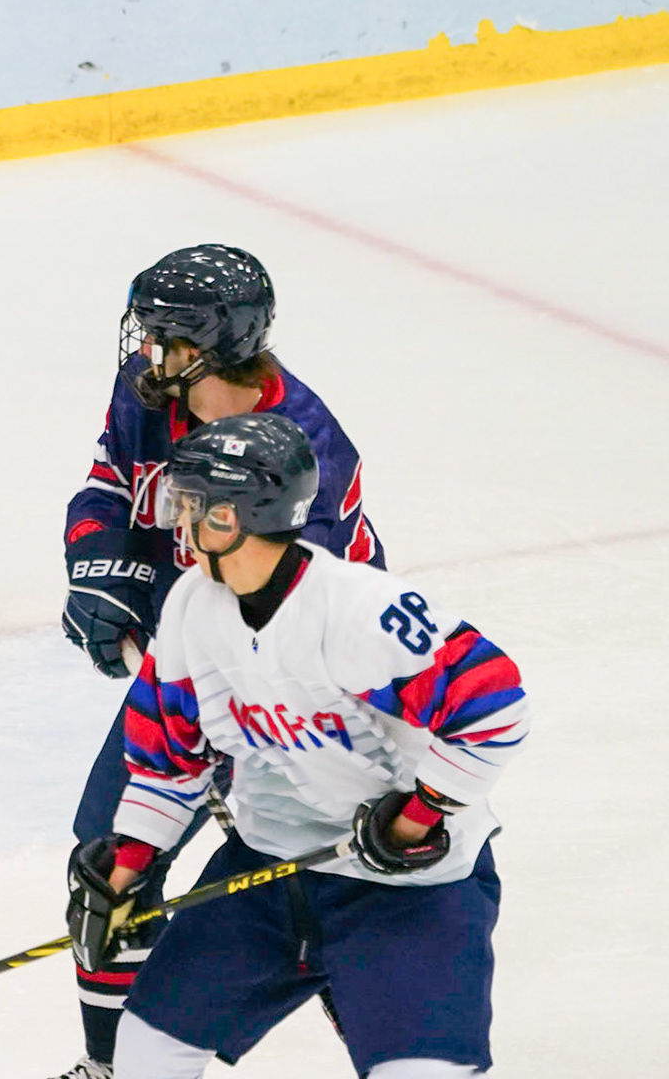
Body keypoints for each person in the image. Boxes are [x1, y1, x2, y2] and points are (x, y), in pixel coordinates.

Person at [66, 413, 527, 1078]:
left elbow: (494, 705)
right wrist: (126, 867)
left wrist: (417, 814)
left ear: (232, 518)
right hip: (265, 874)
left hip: (406, 893)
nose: (179, 523)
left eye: (190, 507)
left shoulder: (359, 611)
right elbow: (169, 756)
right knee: (147, 1050)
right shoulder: (195, 608)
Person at [52, 243, 382, 1079]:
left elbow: (282, 620)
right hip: (194, 660)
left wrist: (223, 723)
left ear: (206, 346)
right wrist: (105, 574)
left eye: (163, 336)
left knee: (334, 897)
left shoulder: (303, 446)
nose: (146, 350)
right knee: (108, 857)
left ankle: (401, 1054)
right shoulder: (147, 394)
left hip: (317, 694)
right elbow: (105, 491)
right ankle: (112, 1069)